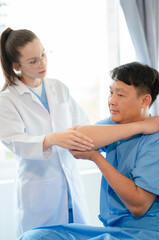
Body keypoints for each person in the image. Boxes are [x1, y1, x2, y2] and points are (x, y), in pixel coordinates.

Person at [19, 62, 159, 240]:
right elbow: (77, 138)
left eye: (121, 94)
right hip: (113, 231)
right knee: (36, 236)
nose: (112, 101)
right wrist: (140, 126)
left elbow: (138, 206)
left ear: (145, 100)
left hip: (146, 233)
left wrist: (96, 157)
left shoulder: (156, 139)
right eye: (111, 92)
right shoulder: (115, 125)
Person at [0, 27, 95, 238]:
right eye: (33, 61)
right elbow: (14, 141)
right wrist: (52, 139)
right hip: (39, 193)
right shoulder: (8, 99)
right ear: (16, 66)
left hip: (70, 185)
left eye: (43, 54)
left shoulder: (58, 87)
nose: (42, 63)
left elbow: (83, 124)